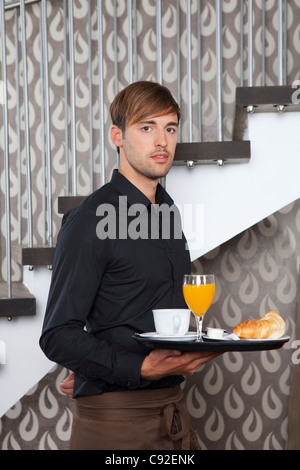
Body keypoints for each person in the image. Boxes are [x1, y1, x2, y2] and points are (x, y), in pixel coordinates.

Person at [39, 81, 220, 450]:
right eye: (147, 127)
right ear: (117, 136)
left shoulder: (167, 212)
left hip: (173, 411)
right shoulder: (89, 220)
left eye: (170, 128)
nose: (162, 141)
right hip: (117, 422)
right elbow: (57, 334)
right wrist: (135, 368)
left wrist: (95, 363)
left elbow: (129, 309)